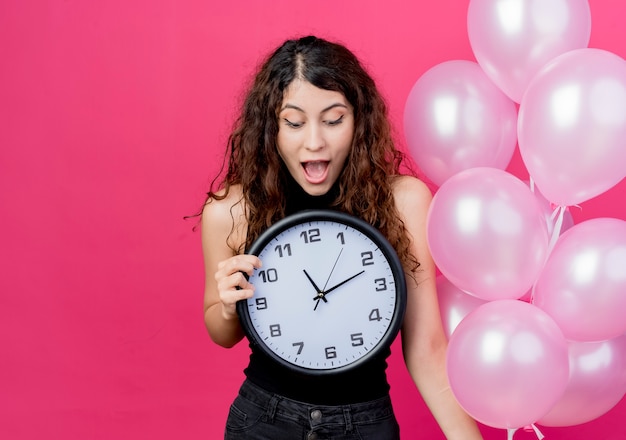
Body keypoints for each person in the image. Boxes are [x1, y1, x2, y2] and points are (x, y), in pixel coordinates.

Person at [200, 35, 483, 439]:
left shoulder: (402, 202)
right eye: (294, 123)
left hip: (364, 424)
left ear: (359, 120)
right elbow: (220, 330)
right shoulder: (231, 210)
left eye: (333, 120)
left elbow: (427, 349)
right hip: (264, 421)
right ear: (271, 127)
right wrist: (227, 307)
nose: (314, 141)